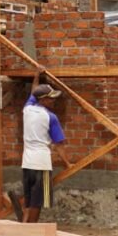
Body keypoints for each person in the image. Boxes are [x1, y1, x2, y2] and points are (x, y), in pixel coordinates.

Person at [22, 83, 71, 223]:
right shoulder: (50, 117)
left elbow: (33, 92)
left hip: (27, 163)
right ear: (42, 100)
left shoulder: (27, 110)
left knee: (29, 199)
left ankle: (24, 227)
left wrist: (37, 75)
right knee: (38, 201)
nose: (53, 101)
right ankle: (31, 229)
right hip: (42, 164)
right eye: (50, 98)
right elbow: (59, 144)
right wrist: (67, 163)